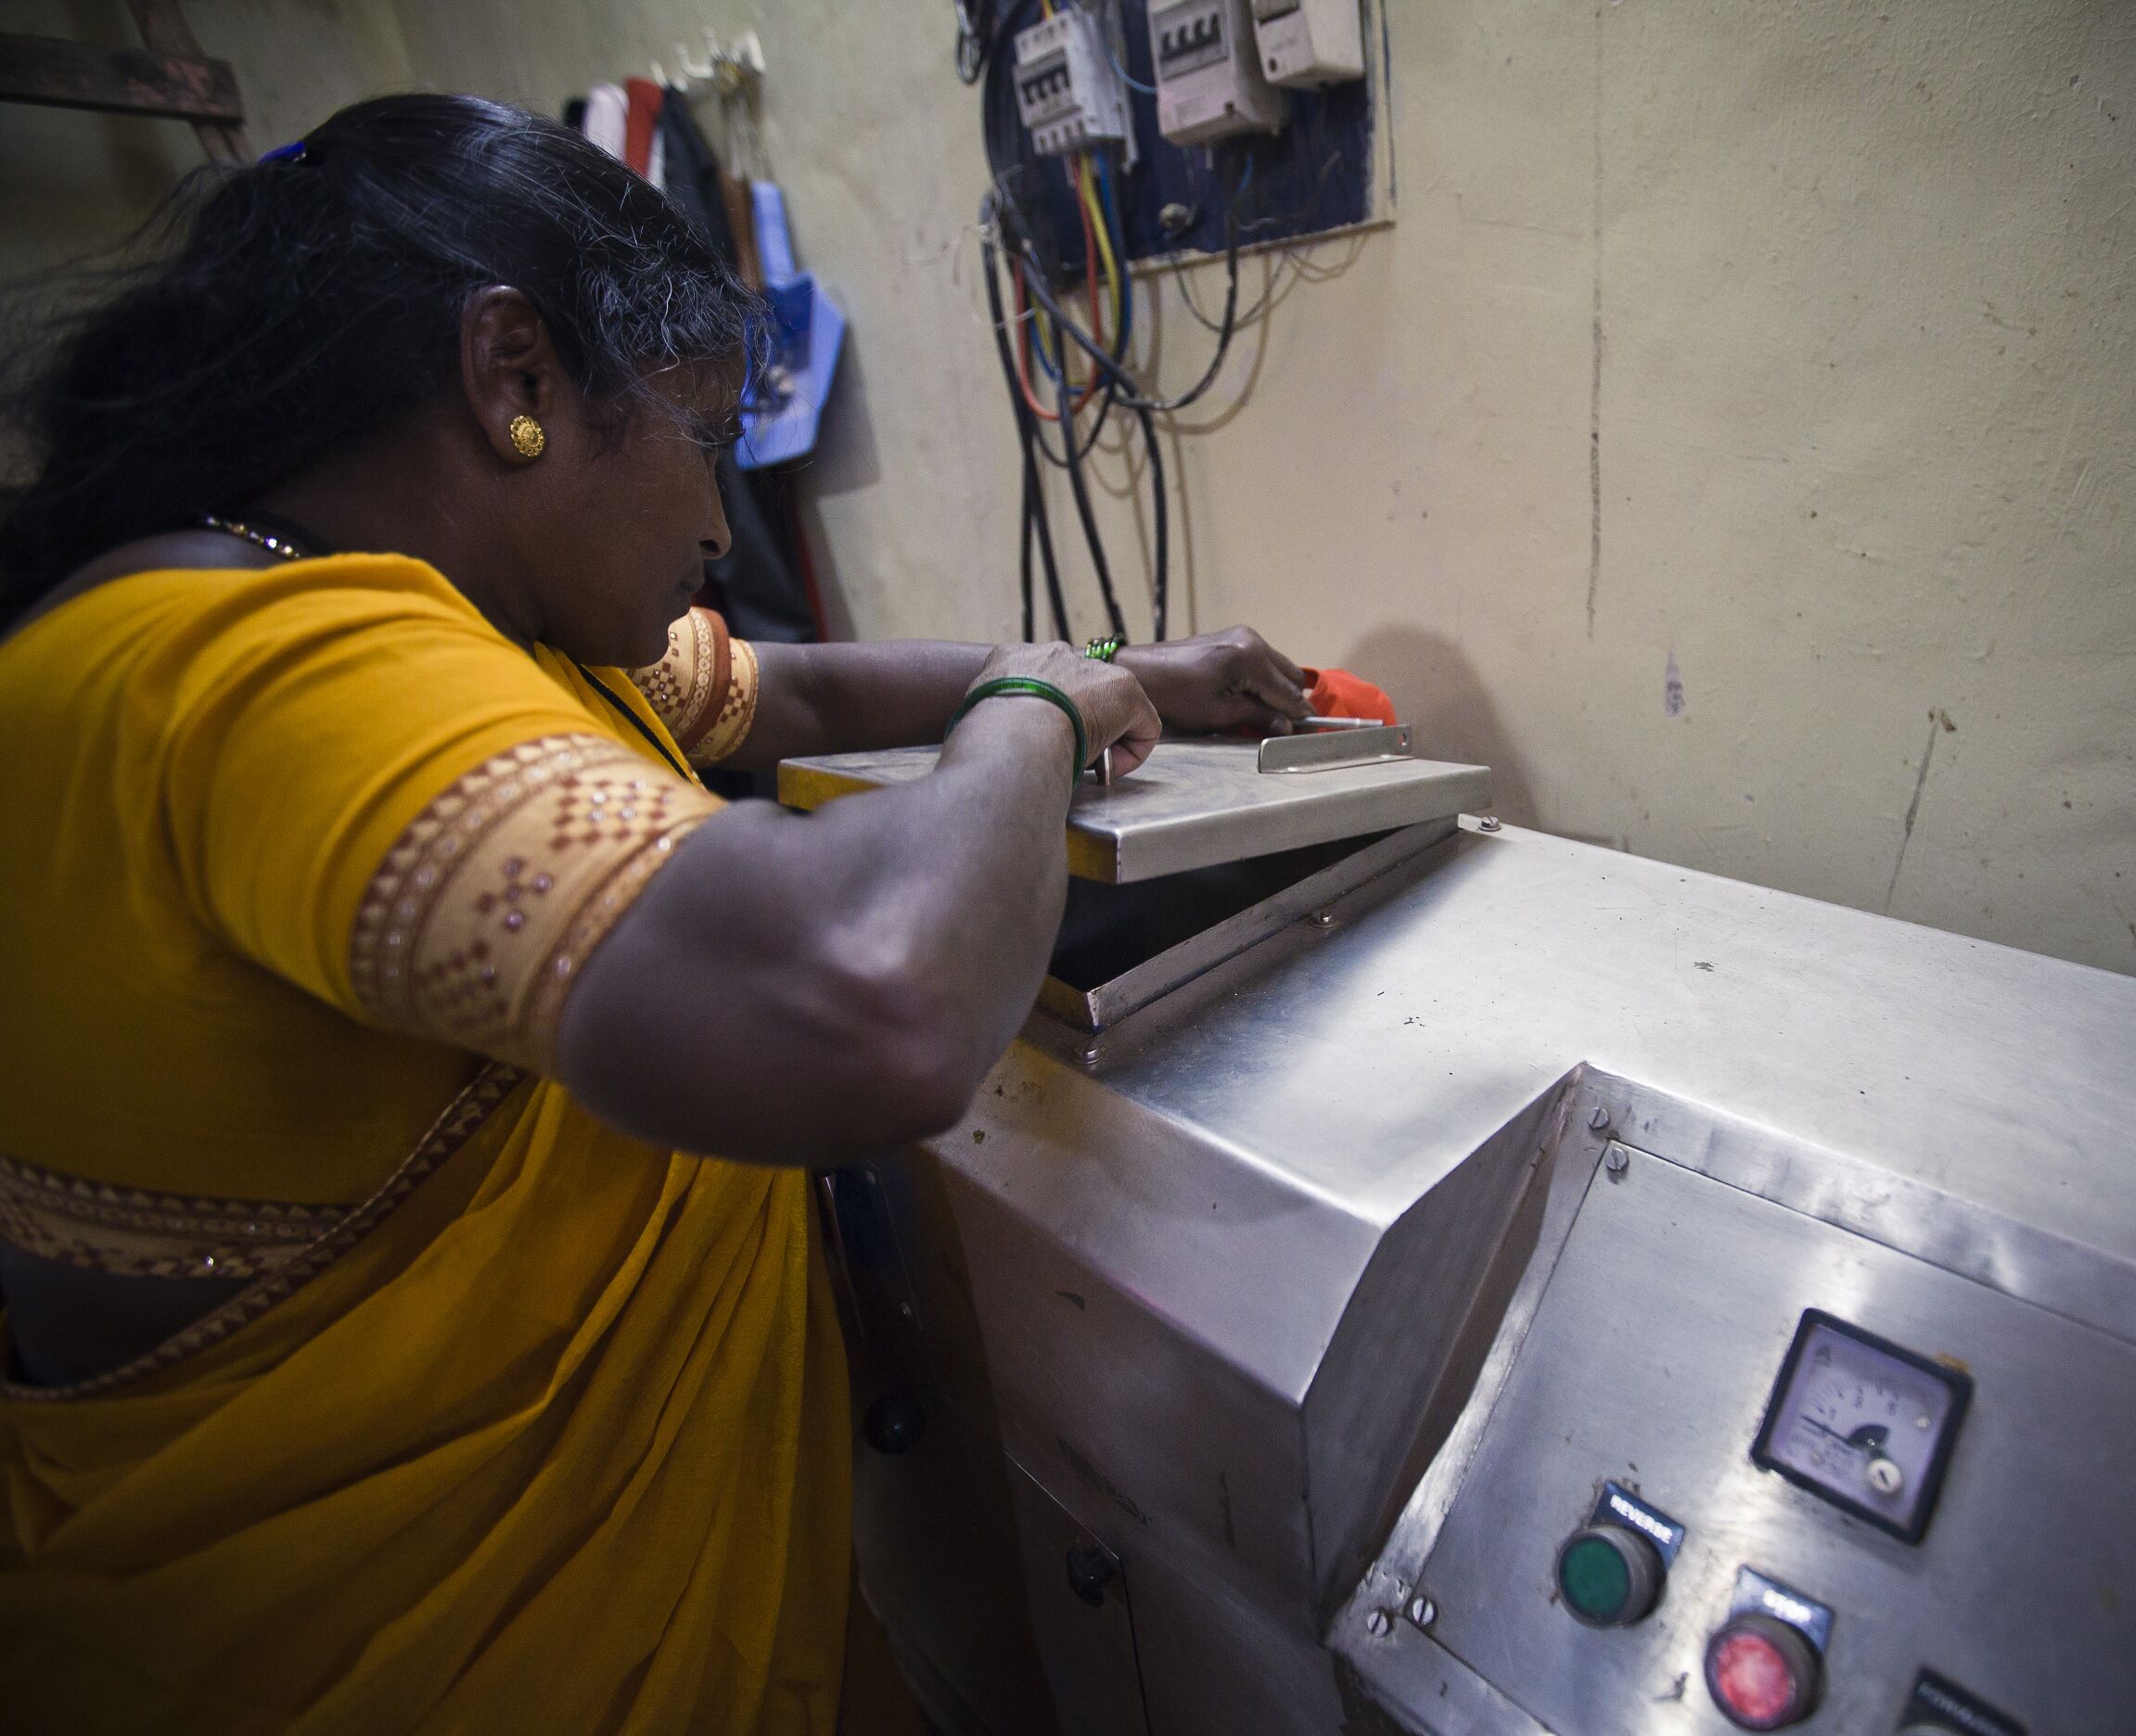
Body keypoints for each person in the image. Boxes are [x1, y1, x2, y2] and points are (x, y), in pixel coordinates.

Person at [0, 94, 1318, 1733]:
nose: (715, 527)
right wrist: (1039, 709)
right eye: (704, 439)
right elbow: (870, 997)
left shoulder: (482, 622)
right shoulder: (253, 673)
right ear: (515, 379)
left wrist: (1127, 666)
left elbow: (788, 686)